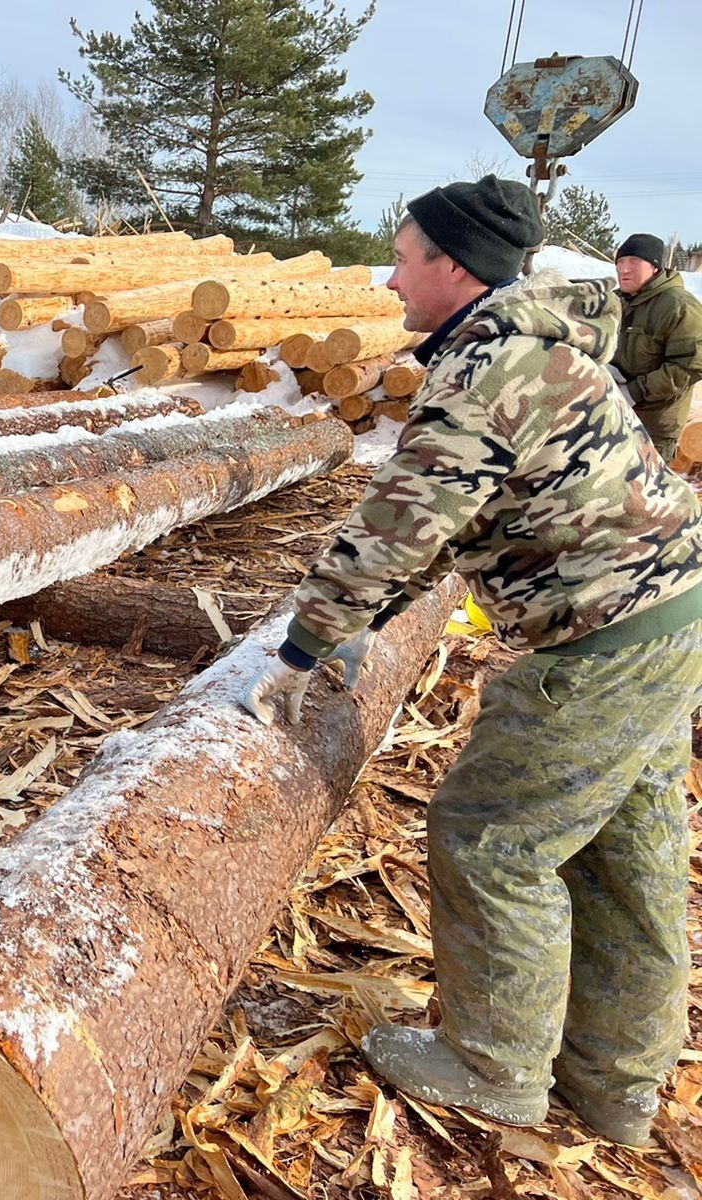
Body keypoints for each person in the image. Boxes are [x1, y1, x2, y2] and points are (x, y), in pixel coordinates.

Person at [241, 176, 702, 1147]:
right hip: (670, 616)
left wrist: (303, 646)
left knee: (490, 838)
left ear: (453, 266)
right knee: (626, 853)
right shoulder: (536, 346)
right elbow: (464, 520)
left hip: (602, 641)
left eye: (405, 256)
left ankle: (492, 1068)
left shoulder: (485, 371)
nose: (392, 274)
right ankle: (615, 1084)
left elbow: (404, 522)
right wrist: (372, 614)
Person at [610, 232, 702, 461]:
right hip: (612, 413)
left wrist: (633, 391)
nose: (624, 269)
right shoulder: (614, 301)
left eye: (633, 261)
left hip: (653, 427)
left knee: (643, 493)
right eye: (620, 262)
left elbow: (688, 367)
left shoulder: (679, 306)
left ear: (655, 267)